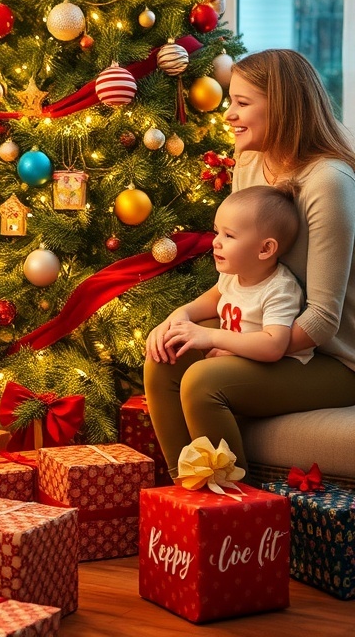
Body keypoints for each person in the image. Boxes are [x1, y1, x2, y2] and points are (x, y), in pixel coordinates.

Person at [144, 48, 355, 479]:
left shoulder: (328, 182)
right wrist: (181, 316)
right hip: (268, 335)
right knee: (164, 357)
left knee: (204, 381)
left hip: (336, 360)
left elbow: (321, 322)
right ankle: (192, 498)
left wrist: (236, 347)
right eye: (230, 102)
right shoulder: (250, 162)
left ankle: (237, 517)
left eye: (242, 103)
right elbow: (233, 281)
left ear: (281, 108)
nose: (229, 115)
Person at [159, 183, 311, 368]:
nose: (216, 241)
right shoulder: (233, 275)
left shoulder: (280, 289)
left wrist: (212, 337)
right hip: (236, 359)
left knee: (202, 375)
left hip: (275, 369)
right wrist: (180, 315)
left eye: (229, 236)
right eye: (217, 232)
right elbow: (211, 300)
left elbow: (274, 346)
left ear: (265, 249)